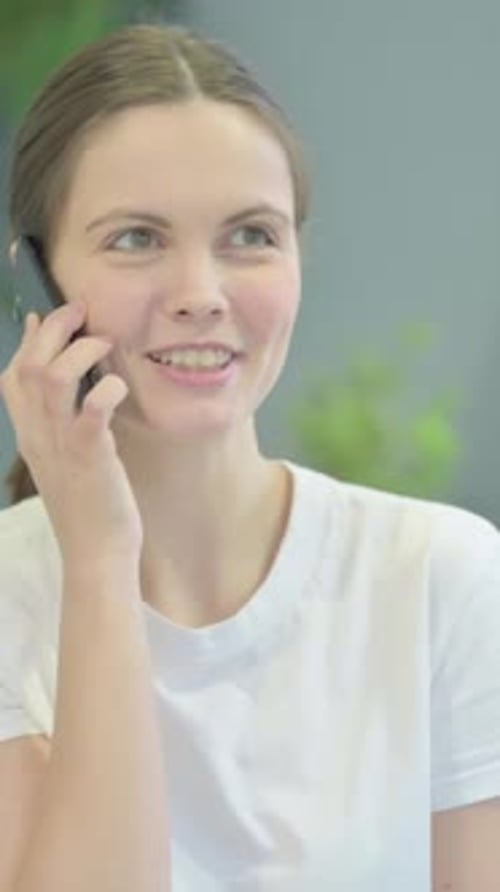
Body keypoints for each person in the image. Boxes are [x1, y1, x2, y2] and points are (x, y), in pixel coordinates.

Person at [0, 21, 499, 892]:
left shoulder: (443, 578)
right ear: (37, 278)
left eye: (250, 236)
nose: (201, 294)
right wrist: (99, 562)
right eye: (135, 239)